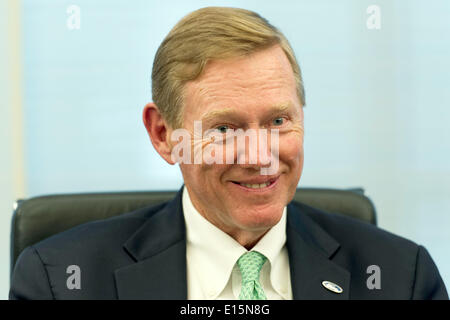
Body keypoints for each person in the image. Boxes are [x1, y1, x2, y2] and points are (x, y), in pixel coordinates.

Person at [10, 6, 448, 300]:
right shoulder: (61, 282)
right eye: (225, 128)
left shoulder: (401, 278)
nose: (261, 155)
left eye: (278, 121)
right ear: (164, 134)